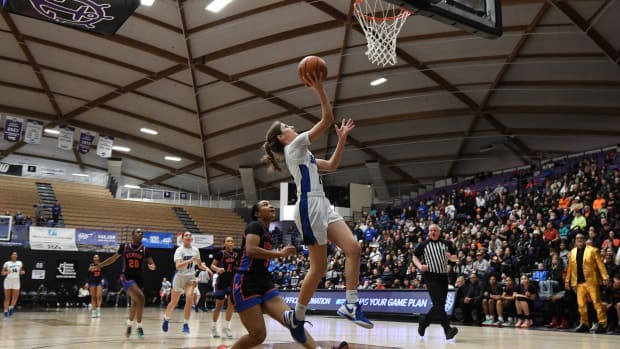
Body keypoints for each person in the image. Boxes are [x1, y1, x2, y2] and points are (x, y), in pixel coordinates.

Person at [262, 72, 372, 336]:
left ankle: (351, 304)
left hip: (323, 204)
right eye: (287, 126)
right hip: (308, 208)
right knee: (319, 267)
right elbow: (326, 119)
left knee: (353, 249)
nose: (292, 126)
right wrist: (320, 89)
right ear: (281, 137)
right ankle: (297, 315)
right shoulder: (294, 147)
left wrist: (342, 138)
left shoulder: (304, 153)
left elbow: (332, 165)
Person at [225, 200, 344, 349]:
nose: (270, 206)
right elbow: (251, 250)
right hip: (245, 281)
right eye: (265, 205)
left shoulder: (267, 232)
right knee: (258, 336)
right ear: (256, 213)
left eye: (270, 204)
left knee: (293, 322)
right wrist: (279, 253)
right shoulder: (254, 226)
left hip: (264, 281)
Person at [90, 228, 156, 339]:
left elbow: (152, 263)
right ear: (132, 234)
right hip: (126, 277)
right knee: (141, 298)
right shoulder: (125, 247)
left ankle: (129, 324)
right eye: (138, 232)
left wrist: (152, 266)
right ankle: (139, 326)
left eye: (142, 233)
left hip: (139, 279)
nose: (140, 233)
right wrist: (99, 265)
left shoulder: (144, 250)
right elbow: (112, 259)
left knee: (136, 303)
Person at [412, 224, 459, 339]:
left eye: (435, 230)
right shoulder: (423, 245)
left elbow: (456, 258)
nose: (433, 232)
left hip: (443, 276)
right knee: (439, 303)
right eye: (431, 230)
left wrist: (451, 258)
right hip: (430, 276)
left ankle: (424, 321)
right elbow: (414, 257)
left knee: (440, 304)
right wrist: (419, 266)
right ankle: (447, 330)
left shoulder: (446, 244)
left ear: (439, 232)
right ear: (428, 232)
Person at [162, 231, 209, 334]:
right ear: (182, 238)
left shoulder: (195, 250)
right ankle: (166, 318)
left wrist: (206, 269)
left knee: (189, 298)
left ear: (191, 238)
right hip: (179, 277)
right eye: (186, 235)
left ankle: (186, 324)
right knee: (173, 302)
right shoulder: (179, 250)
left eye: (190, 235)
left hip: (190, 278)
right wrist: (189, 260)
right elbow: (178, 266)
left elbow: (199, 264)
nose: (188, 236)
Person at [565, 233, 609, 333]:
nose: (579, 240)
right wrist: (567, 281)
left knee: (597, 304)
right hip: (579, 283)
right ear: (575, 241)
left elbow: (600, 264)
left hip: (592, 282)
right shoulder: (572, 252)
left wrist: (605, 276)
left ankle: (603, 323)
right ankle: (585, 324)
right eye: (577, 238)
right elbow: (570, 268)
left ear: (584, 240)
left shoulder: (593, 250)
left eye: (581, 238)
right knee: (581, 305)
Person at [210, 236, 238, 338]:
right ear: (224, 243)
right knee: (219, 306)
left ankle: (227, 327)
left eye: (232, 241)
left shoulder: (236, 255)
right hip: (221, 282)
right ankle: (213, 328)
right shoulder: (220, 253)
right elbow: (212, 266)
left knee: (231, 305)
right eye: (228, 241)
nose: (231, 243)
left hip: (231, 282)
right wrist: (217, 269)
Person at [2, 251, 25, 318]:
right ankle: (6, 311)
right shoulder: (7, 263)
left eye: (15, 254)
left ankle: (11, 307)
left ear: (17, 256)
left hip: (16, 281)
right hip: (8, 281)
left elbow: (20, 271)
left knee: (15, 297)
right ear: (11, 256)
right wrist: (6, 272)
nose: (14, 255)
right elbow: (2, 273)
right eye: (13, 254)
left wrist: (22, 272)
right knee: (7, 297)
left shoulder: (20, 263)